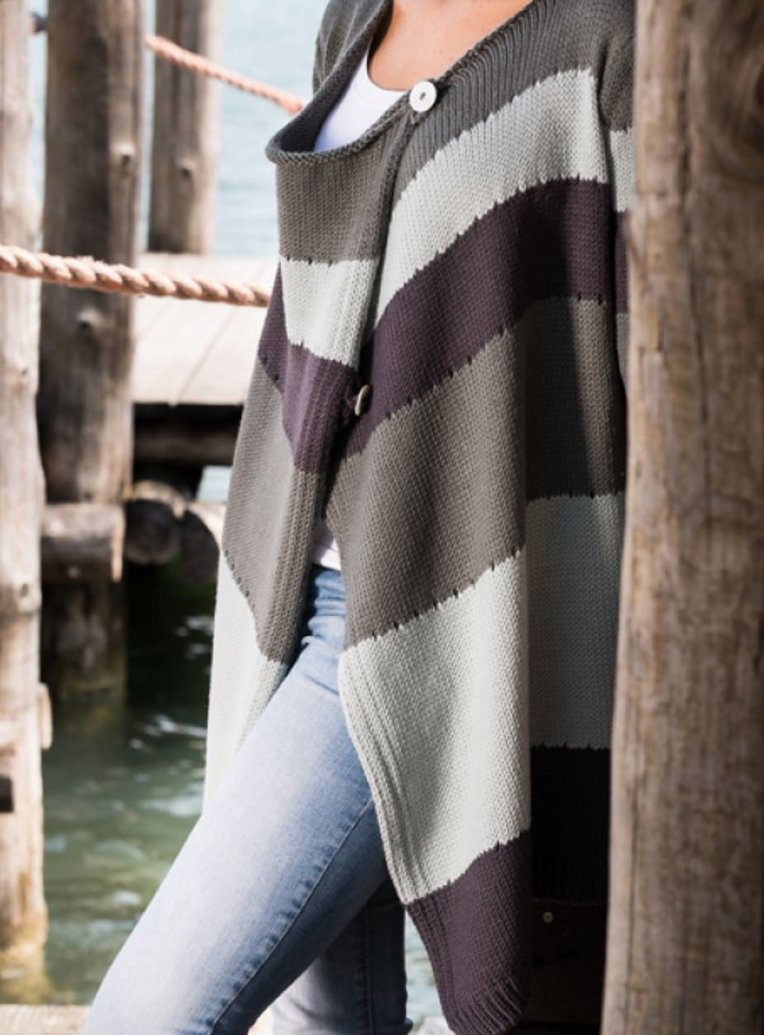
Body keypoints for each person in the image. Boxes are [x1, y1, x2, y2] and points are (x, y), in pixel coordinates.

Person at [82, 0, 635, 1032]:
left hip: (424, 604)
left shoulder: (607, 38)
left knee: (147, 1014)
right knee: (326, 1022)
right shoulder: (352, 20)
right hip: (284, 578)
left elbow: (666, 363)